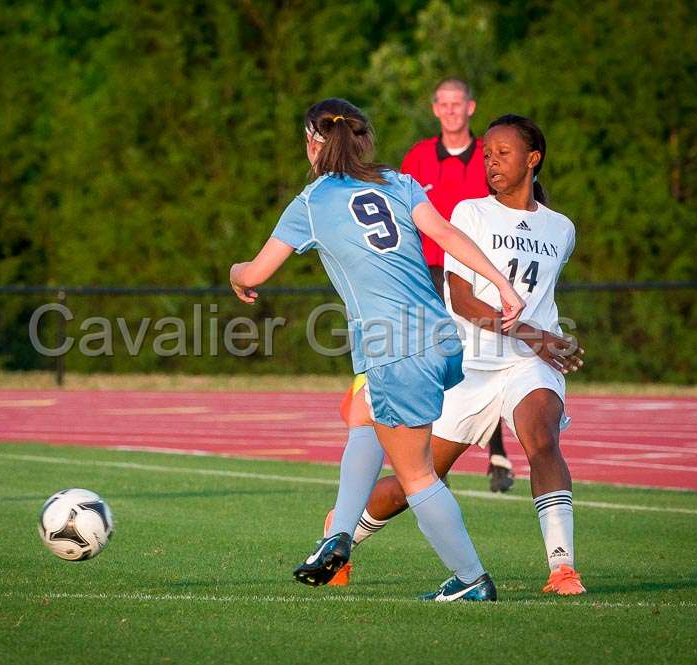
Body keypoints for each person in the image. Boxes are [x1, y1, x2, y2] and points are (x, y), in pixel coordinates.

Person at [229, 98, 524, 601]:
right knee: (364, 415)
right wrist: (503, 284)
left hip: (396, 348)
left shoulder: (312, 201)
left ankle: (474, 581)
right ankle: (337, 538)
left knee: (416, 474)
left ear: (312, 142)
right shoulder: (398, 182)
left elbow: (255, 273)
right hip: (439, 337)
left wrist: (235, 274)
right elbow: (447, 233)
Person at [325, 114, 588, 595]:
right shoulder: (469, 213)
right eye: (486, 154)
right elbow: (463, 301)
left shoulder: (562, 229)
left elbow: (543, 297)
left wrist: (549, 341)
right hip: (471, 365)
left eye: (503, 153)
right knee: (417, 478)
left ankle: (562, 568)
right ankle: (339, 542)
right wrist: (537, 335)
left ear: (534, 159)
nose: (491, 162)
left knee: (542, 439)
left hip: (531, 362)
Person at [341, 77, 516, 494]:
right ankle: (435, 458)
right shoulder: (419, 157)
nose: (452, 110)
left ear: (470, 107)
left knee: (484, 356)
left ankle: (496, 452)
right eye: (444, 104)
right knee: (434, 359)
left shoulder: (488, 156)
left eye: (459, 103)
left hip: (475, 273)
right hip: (429, 274)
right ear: (436, 109)